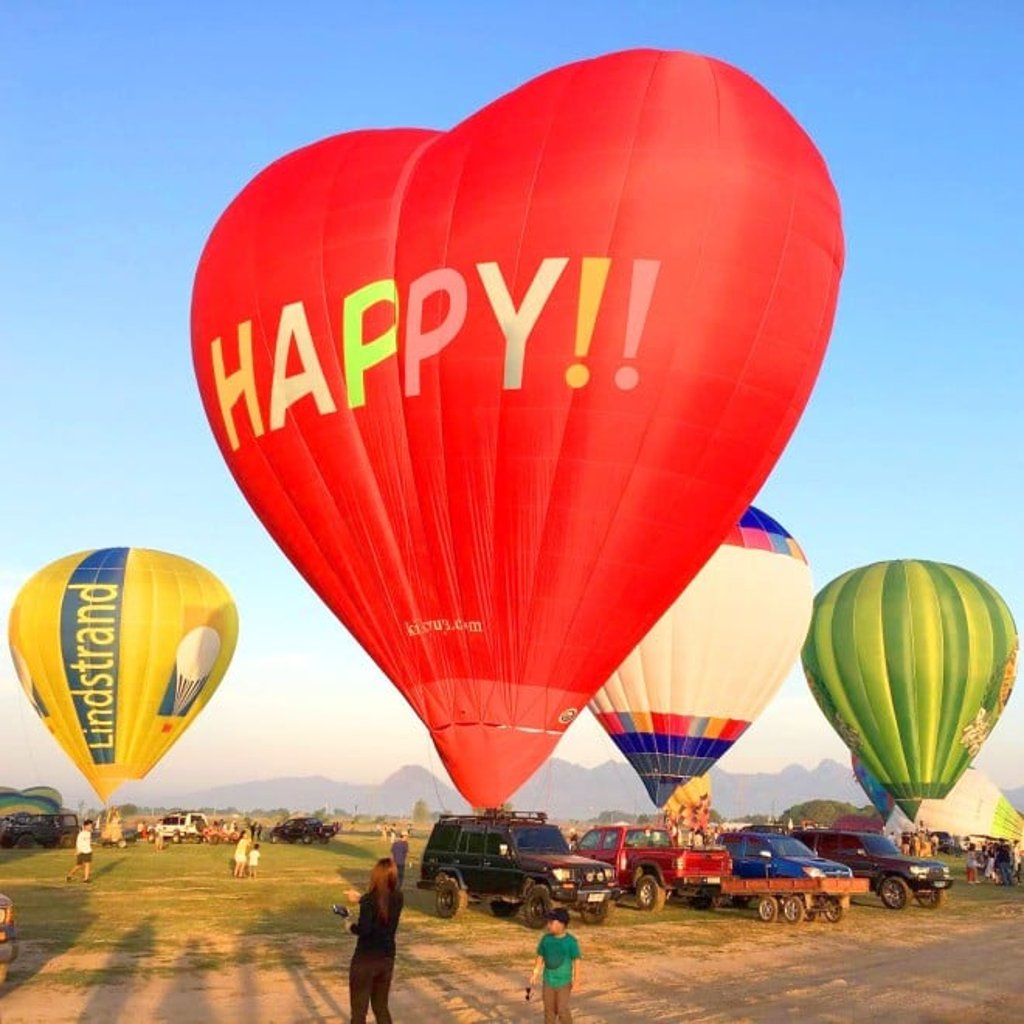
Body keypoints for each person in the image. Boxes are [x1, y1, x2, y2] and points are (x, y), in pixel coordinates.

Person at [345, 857, 403, 1024]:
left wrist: (350, 927)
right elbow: (381, 902)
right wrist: (361, 899)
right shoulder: (399, 898)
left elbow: (365, 930)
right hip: (386, 958)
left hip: (365, 960)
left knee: (359, 1012)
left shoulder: (369, 900)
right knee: (381, 1008)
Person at [529, 907, 581, 1023]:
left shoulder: (570, 942)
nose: (548, 925)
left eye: (551, 922)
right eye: (548, 922)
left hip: (564, 983)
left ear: (561, 924)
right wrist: (535, 972)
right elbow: (540, 956)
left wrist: (577, 980)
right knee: (549, 1010)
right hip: (548, 981)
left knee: (561, 1010)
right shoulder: (546, 940)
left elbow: (576, 960)